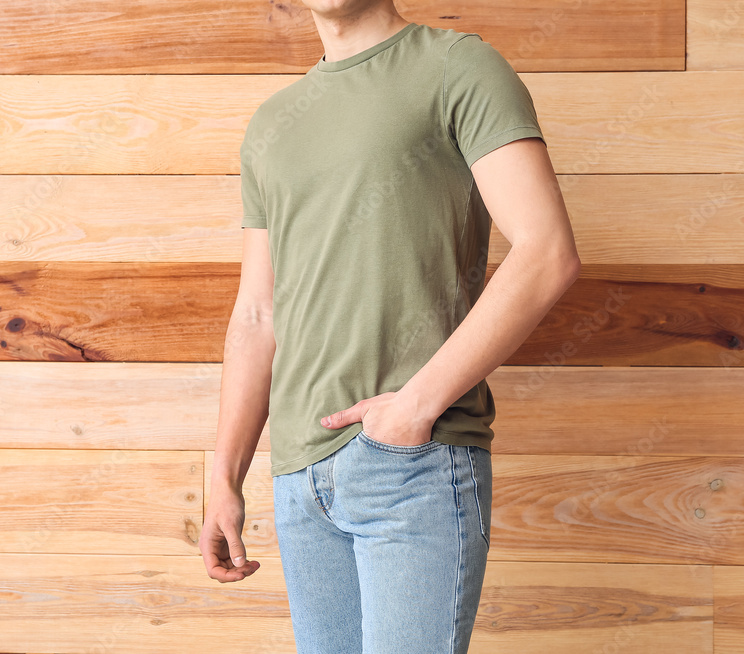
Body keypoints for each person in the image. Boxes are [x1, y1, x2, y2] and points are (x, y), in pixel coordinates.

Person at [200, 1, 581, 652]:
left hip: (411, 460)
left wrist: (414, 409)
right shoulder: (271, 126)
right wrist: (222, 475)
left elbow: (547, 252)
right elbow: (258, 312)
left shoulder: (459, 67)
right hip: (299, 478)